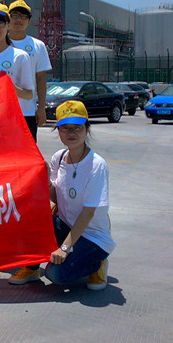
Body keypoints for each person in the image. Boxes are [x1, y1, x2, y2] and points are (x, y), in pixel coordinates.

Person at [8, 100, 114, 290]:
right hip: (66, 226)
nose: (71, 133)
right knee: (30, 218)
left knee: (56, 274)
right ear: (58, 131)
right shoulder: (58, 158)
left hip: (92, 236)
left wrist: (64, 248)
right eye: (65, 128)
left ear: (87, 129)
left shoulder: (96, 165)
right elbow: (58, 198)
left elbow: (88, 213)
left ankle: (97, 263)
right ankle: (32, 269)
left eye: (77, 128)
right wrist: (46, 181)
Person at [8, 0, 52, 140]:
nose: (18, 20)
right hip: (3, 111)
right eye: (15, 15)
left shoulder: (38, 46)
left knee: (28, 150)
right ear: (8, 18)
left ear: (29, 21)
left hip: (28, 111)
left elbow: (41, 78)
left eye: (23, 16)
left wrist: (41, 107)